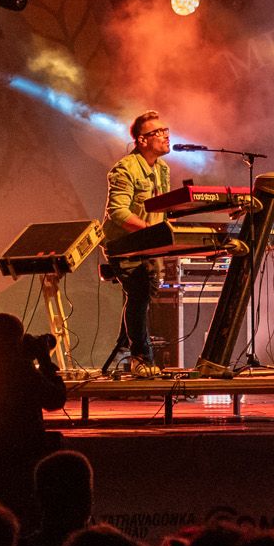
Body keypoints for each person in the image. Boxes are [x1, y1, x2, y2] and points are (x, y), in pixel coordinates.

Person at [0, 312, 67, 521]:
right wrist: (45, 361)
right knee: (26, 518)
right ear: (16, 340)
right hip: (23, 461)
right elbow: (55, 400)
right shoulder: (23, 370)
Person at [101, 110, 172, 376]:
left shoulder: (163, 169)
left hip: (150, 245)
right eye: (159, 132)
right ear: (142, 140)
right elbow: (118, 212)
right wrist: (150, 231)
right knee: (140, 293)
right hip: (124, 245)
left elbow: (162, 207)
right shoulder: (125, 169)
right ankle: (141, 357)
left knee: (143, 296)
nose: (166, 136)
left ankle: (126, 347)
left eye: (166, 130)